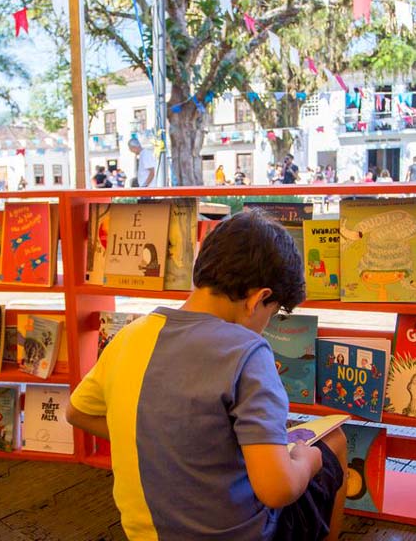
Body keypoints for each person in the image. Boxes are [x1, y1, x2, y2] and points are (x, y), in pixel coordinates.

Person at [67, 211, 348, 541]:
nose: (266, 326)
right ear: (259, 299)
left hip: (145, 534)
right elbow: (277, 490)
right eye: (270, 315)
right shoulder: (248, 352)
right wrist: (307, 460)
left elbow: (77, 412)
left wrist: (154, 438)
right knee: (333, 442)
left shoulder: (129, 336)